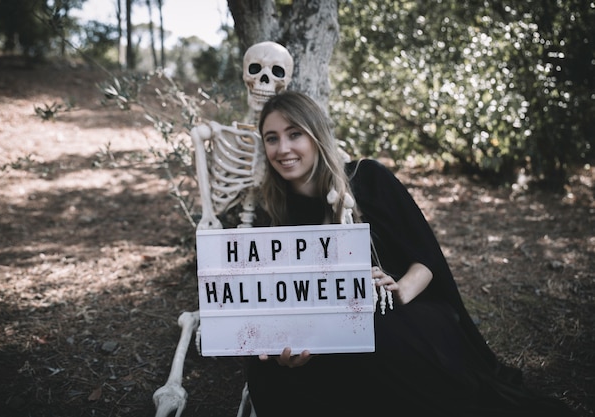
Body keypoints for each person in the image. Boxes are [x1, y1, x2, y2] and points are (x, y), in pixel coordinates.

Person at [245, 90, 577, 417]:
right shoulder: (272, 214)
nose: (283, 149)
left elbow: (426, 256)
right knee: (267, 370)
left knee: (381, 339)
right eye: (271, 138)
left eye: (294, 134)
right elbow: (278, 300)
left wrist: (399, 290)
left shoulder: (368, 178)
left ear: (316, 136)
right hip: (324, 336)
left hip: (402, 313)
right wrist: (287, 349)